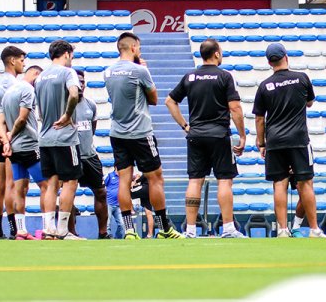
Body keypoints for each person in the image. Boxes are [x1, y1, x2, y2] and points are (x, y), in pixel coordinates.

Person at [166, 38, 247, 238]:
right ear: (217, 54)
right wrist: (242, 135)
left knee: (195, 181)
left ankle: (190, 230)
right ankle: (228, 228)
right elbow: (235, 107)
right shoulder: (224, 76)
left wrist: (185, 126)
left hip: (196, 135)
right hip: (219, 135)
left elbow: (170, 101)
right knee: (224, 180)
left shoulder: (190, 76)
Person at [106, 32, 180, 239]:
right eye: (138, 48)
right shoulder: (140, 70)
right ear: (133, 48)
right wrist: (143, 68)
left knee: (124, 180)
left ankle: (129, 230)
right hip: (140, 132)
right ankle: (164, 228)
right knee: (155, 178)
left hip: (117, 132)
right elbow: (154, 99)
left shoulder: (108, 72)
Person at [253, 43, 322, 238]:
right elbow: (309, 102)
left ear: (269, 62)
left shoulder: (264, 85)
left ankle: (282, 229)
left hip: (275, 140)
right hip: (299, 139)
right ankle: (314, 229)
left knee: (279, 183)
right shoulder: (302, 78)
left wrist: (262, 142)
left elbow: (259, 118)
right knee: (306, 183)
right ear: (286, 57)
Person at [35, 40, 83, 240]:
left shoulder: (40, 77)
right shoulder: (68, 72)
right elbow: (74, 94)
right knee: (70, 182)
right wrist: (67, 115)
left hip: (45, 137)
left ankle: (48, 229)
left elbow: (39, 110)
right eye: (71, 56)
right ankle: (63, 230)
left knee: (51, 183)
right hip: (65, 137)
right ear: (66, 54)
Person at [0, 64, 44, 240]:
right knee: (46, 186)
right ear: (35, 74)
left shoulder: (8, 92)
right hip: (29, 145)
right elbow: (22, 118)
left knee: (20, 190)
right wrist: (11, 135)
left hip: (15, 149)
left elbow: (0, 122)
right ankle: (48, 228)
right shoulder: (28, 90)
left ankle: (21, 231)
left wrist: (6, 140)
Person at [0, 45, 27, 239]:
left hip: (1, 139)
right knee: (12, 184)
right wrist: (7, 137)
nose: (23, 64)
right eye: (21, 60)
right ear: (12, 60)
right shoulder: (15, 85)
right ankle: (14, 229)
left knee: (0, 184)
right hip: (13, 140)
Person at [70, 69, 109, 239]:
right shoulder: (64, 105)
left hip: (90, 156)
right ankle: (71, 232)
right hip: (71, 156)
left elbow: (92, 129)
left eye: (83, 82)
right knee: (69, 195)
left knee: (101, 192)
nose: (80, 85)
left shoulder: (91, 105)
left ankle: (103, 232)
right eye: (77, 82)